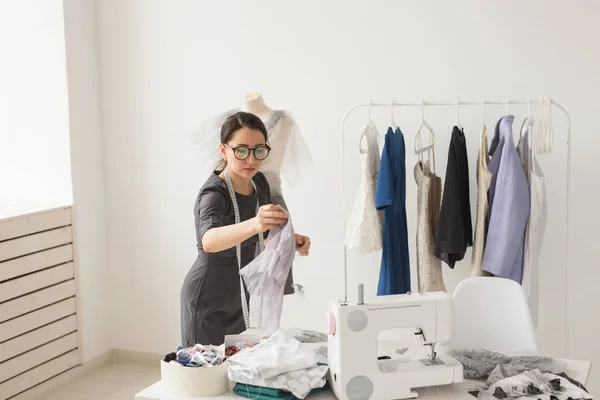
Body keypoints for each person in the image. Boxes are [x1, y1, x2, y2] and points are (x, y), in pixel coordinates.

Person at [181, 111, 311, 347]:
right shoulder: (214, 194)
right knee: (208, 376)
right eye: (241, 151)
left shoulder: (259, 182)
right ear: (224, 150)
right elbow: (209, 240)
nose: (251, 160)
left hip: (239, 295)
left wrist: (291, 239)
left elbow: (258, 234)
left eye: (259, 150)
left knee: (238, 373)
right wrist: (255, 223)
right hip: (208, 300)